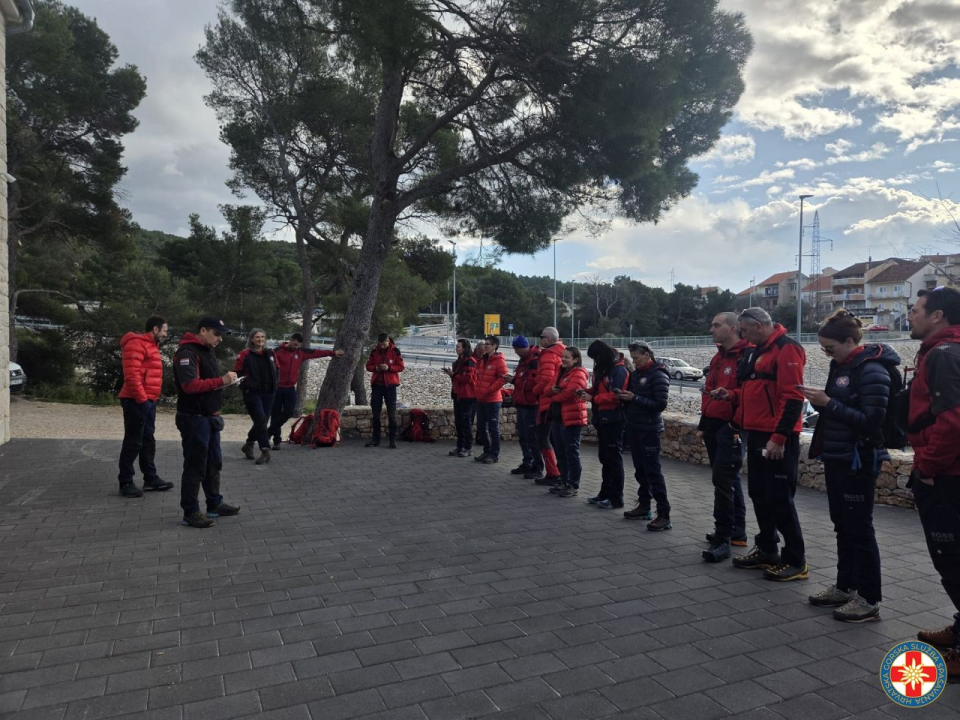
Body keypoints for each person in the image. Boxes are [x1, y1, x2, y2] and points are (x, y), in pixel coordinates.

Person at [800, 310, 900, 623]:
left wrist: (828, 403)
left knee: (859, 528)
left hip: (859, 460)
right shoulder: (841, 365)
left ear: (849, 341)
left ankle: (869, 599)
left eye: (829, 348)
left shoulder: (872, 370)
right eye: (822, 348)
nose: (826, 353)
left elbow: (873, 422)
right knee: (842, 524)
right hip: (838, 457)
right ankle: (845, 586)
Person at [713, 307, 808, 581]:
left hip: (776, 436)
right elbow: (754, 389)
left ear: (757, 325)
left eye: (743, 330)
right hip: (755, 431)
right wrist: (731, 394)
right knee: (759, 494)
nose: (742, 335)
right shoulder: (757, 349)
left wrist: (778, 438)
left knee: (780, 499)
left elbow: (792, 397)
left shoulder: (786, 348)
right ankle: (767, 548)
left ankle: (796, 560)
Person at [904, 286, 960, 673]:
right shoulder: (942, 351)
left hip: (947, 477)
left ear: (937, 315)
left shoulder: (944, 354)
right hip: (946, 472)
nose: (910, 314)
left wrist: (927, 468)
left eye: (916, 309)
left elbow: (953, 421)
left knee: (953, 561)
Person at [173, 316, 242, 529]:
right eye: (217, 334)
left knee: (213, 463)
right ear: (203, 330)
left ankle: (214, 503)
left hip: (210, 417)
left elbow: (206, 384)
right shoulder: (187, 353)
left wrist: (224, 384)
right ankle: (191, 512)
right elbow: (190, 385)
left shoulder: (207, 351)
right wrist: (221, 381)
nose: (219, 339)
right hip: (194, 418)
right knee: (195, 465)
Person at [698, 313, 751, 562]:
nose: (711, 329)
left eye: (716, 325)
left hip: (731, 427)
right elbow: (708, 392)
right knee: (728, 480)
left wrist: (730, 397)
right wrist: (703, 424)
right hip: (713, 425)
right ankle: (736, 531)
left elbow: (750, 393)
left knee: (723, 481)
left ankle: (724, 539)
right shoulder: (719, 356)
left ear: (733, 328)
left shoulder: (746, 355)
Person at [116, 316, 174, 498]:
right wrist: (142, 399)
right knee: (134, 440)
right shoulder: (136, 344)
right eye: (164, 330)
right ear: (155, 329)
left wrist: (150, 400)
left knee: (148, 439)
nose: (165, 334)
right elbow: (131, 376)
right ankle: (126, 481)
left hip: (148, 400)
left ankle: (150, 478)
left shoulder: (151, 345)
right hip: (136, 400)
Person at [619, 342, 672, 530]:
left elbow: (660, 404)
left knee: (653, 471)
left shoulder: (658, 374)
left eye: (637, 358)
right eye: (632, 358)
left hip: (650, 429)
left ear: (648, 354)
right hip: (634, 426)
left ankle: (664, 514)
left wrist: (634, 398)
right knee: (640, 470)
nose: (634, 361)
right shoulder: (636, 374)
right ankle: (644, 505)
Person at [269, 332, 343, 449]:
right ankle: (276, 441)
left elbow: (317, 352)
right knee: (275, 414)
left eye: (298, 345)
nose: (295, 346)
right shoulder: (277, 351)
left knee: (289, 411)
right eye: (294, 344)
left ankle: (269, 432)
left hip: (290, 388)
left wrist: (333, 353)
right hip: (277, 388)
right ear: (290, 340)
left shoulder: (301, 352)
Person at [581, 340, 629, 509]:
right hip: (603, 418)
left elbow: (616, 395)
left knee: (613, 459)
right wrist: (587, 392)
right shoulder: (603, 369)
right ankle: (605, 493)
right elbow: (598, 389)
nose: (594, 361)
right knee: (605, 458)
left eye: (595, 358)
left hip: (614, 419)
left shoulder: (619, 370)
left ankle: (616, 498)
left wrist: (593, 398)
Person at [547, 347, 589, 498]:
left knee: (571, 453)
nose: (563, 359)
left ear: (576, 359)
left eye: (567, 357)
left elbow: (571, 393)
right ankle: (564, 481)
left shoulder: (579, 373)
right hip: (558, 418)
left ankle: (573, 484)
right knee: (560, 452)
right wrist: (552, 391)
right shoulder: (560, 371)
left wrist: (553, 396)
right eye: (562, 356)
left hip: (571, 419)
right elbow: (547, 389)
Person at [234, 328, 278, 465]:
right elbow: (237, 373)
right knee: (260, 420)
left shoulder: (270, 353)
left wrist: (275, 385)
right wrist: (246, 387)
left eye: (263, 337)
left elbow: (277, 369)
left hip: (269, 392)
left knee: (262, 422)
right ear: (251, 339)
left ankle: (248, 444)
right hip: (252, 393)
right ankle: (265, 450)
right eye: (257, 337)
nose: (260, 339)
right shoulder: (245, 354)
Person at [502, 336, 543, 477]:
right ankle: (528, 462)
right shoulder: (524, 361)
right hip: (522, 403)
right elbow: (523, 380)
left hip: (531, 404)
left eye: (517, 349)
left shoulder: (534, 361)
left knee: (532, 438)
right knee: (524, 437)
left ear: (523, 348)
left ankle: (537, 467)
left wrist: (514, 380)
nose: (516, 352)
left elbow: (532, 384)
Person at [531, 327, 565, 485]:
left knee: (543, 438)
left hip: (547, 403)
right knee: (553, 439)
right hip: (554, 403)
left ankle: (553, 473)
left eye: (541, 336)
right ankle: (558, 472)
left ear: (550, 340)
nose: (539, 339)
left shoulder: (549, 355)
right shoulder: (560, 353)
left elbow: (546, 379)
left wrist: (535, 390)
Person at [365, 333, 404, 448]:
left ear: (388, 341)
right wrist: (376, 368)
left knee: (391, 414)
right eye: (380, 344)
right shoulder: (374, 352)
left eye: (384, 344)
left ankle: (392, 440)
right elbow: (368, 366)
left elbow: (401, 366)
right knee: (375, 414)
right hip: (377, 385)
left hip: (390, 386)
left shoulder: (395, 351)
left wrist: (389, 368)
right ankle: (375, 439)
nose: (382, 346)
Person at [474, 335, 508, 464]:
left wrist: (489, 390)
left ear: (494, 346)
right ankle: (486, 451)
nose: (485, 346)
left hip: (492, 400)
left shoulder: (499, 361)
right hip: (481, 399)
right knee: (481, 427)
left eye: (488, 344)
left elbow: (503, 378)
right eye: (484, 344)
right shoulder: (483, 360)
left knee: (493, 428)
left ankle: (494, 454)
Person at [443, 338, 477, 457]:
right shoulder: (458, 362)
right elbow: (458, 378)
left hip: (467, 396)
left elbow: (468, 379)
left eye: (458, 346)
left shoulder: (469, 362)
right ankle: (460, 446)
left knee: (465, 422)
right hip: (458, 394)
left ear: (464, 348)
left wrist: (454, 375)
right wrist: (452, 375)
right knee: (459, 422)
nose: (456, 348)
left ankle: (468, 447)